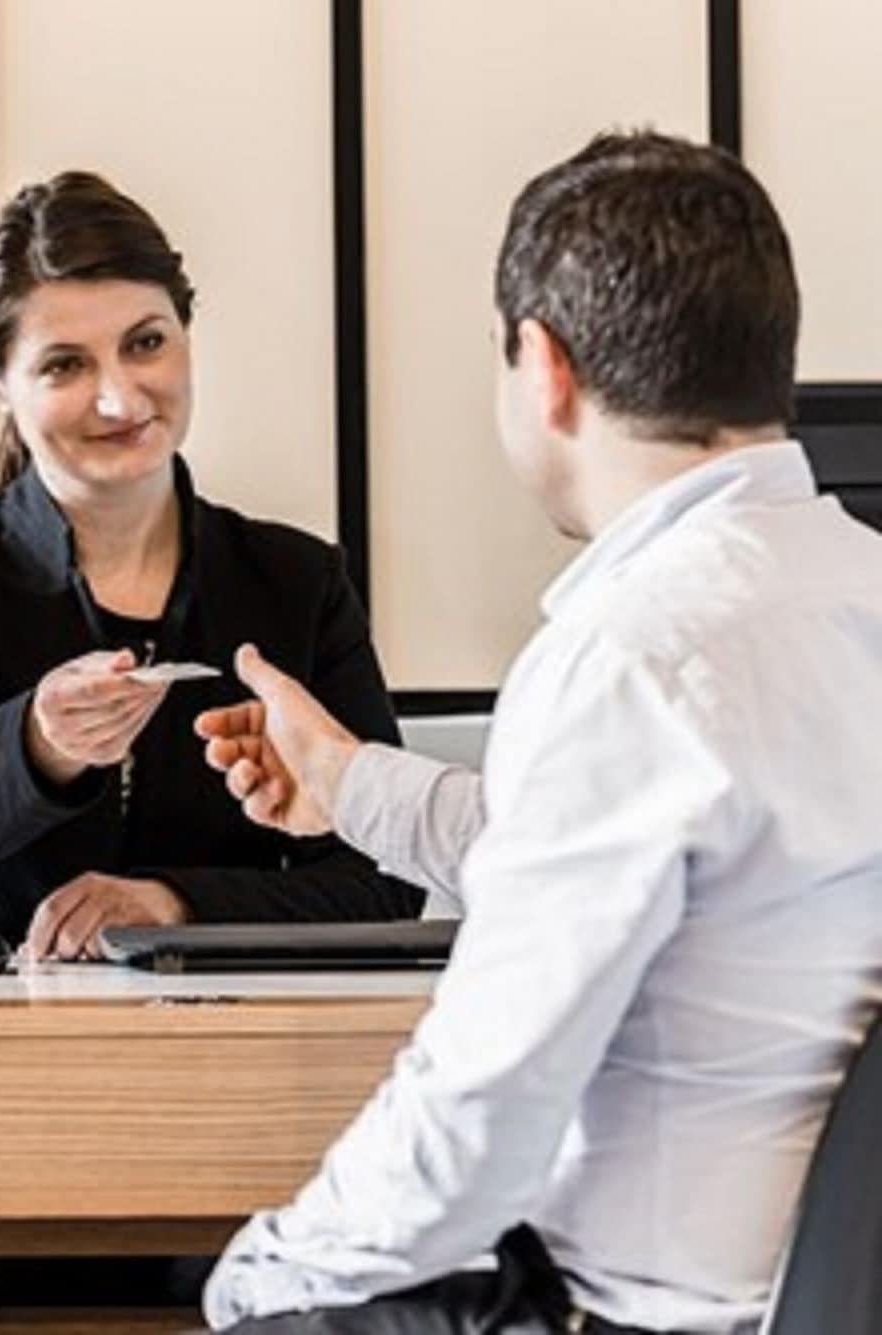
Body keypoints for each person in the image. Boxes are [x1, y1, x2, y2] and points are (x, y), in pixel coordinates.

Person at [195, 131, 882, 1333]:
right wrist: (350, 785)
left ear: (542, 365)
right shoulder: (849, 594)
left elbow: (474, 1127)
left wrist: (254, 1285)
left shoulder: (633, 654)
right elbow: (664, 874)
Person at [0, 171, 421, 1310]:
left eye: (145, 343)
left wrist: (172, 905)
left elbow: (382, 880)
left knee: (299, 1296)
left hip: (223, 1120)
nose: (117, 395)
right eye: (62, 365)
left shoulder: (292, 581)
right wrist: (40, 739)